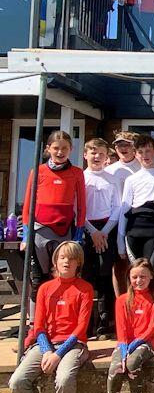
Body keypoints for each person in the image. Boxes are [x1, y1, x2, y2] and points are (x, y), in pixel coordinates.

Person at [10, 241, 92, 393]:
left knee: (64, 378)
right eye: (63, 257)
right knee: (17, 381)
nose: (67, 261)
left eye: (72, 258)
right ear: (55, 262)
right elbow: (38, 326)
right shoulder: (45, 288)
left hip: (73, 344)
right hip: (45, 343)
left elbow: (81, 328)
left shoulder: (85, 288)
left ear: (78, 264)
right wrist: (47, 351)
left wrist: (58, 354)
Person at [20, 130, 86, 310]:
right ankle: (36, 325)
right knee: (39, 279)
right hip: (40, 230)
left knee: (63, 278)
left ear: (71, 149)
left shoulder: (76, 173)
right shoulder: (38, 170)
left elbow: (81, 206)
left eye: (65, 148)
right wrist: (26, 236)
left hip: (65, 231)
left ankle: (61, 322)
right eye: (56, 148)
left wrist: (78, 234)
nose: (60, 152)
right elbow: (27, 205)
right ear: (48, 149)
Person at [100, 258, 154, 393]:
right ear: (129, 277)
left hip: (147, 342)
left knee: (133, 362)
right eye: (135, 277)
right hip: (125, 342)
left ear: (151, 276)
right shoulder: (122, 300)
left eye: (143, 276)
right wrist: (123, 349)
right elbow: (121, 329)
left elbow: (151, 328)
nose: (139, 280)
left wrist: (133, 347)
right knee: (116, 367)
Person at [117, 135, 154, 273]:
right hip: (133, 230)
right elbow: (124, 210)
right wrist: (120, 241)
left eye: (148, 151)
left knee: (149, 273)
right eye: (140, 152)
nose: (145, 155)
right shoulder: (131, 179)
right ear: (135, 154)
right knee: (134, 274)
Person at [83, 138, 121, 339]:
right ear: (85, 155)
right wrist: (93, 232)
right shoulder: (81, 178)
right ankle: (86, 323)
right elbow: (77, 209)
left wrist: (104, 231)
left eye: (101, 153)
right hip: (86, 230)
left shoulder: (112, 179)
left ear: (107, 157)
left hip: (107, 229)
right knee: (87, 277)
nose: (97, 157)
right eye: (93, 152)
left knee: (105, 275)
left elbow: (117, 207)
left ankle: (105, 323)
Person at [106, 131, 140, 296]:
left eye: (126, 144)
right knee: (119, 265)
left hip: (137, 220)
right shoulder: (110, 170)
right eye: (119, 145)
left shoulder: (142, 167)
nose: (122, 148)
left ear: (134, 147)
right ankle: (121, 304)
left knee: (139, 264)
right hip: (115, 222)